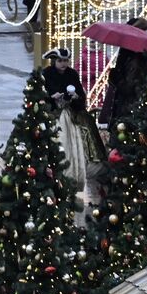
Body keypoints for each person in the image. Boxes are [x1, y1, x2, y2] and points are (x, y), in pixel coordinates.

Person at [42, 48, 105, 218]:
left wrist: (76, 97)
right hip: (55, 117)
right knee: (59, 144)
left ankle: (71, 180)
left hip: (70, 117)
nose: (64, 64)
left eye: (66, 61)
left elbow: (80, 95)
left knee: (72, 146)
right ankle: (57, 178)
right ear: (54, 61)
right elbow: (41, 94)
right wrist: (51, 97)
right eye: (61, 61)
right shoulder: (46, 74)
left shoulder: (72, 74)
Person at [100, 17, 147, 124]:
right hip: (129, 108)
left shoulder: (134, 58)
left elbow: (129, 87)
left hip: (128, 110)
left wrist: (115, 76)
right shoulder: (132, 54)